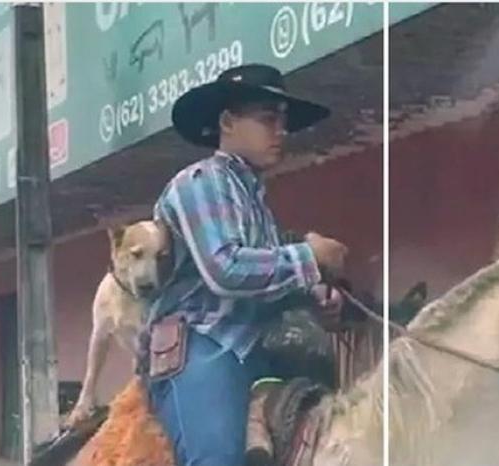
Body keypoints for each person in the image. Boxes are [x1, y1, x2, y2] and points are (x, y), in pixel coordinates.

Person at [145, 63, 349, 466]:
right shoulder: (201, 181)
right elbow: (226, 269)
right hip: (204, 346)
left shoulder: (253, 201)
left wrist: (315, 297)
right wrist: (311, 257)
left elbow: (265, 280)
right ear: (227, 122)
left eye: (284, 122)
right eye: (268, 119)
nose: (281, 131)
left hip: (257, 354)